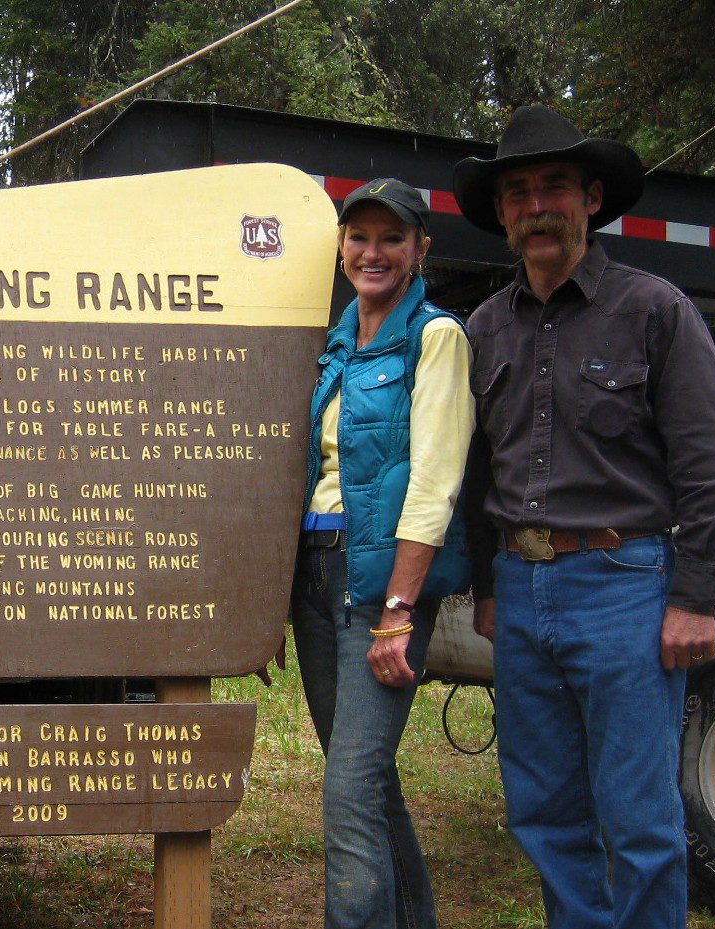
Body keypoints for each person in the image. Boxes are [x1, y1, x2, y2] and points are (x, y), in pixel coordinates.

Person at [454, 104, 715, 929]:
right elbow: (477, 468)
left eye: (553, 186)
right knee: (544, 812)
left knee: (638, 818)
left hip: (626, 585)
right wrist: (487, 584)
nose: (535, 205)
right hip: (519, 588)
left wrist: (694, 596)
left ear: (589, 199)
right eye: (517, 192)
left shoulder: (652, 309)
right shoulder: (483, 327)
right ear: (503, 213)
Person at [290, 178, 474, 929]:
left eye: (391, 238)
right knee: (364, 780)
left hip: (377, 587)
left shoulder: (436, 337)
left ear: (419, 250)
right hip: (315, 572)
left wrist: (399, 609)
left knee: (349, 794)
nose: (373, 252)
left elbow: (433, 487)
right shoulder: (336, 347)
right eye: (358, 237)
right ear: (340, 249)